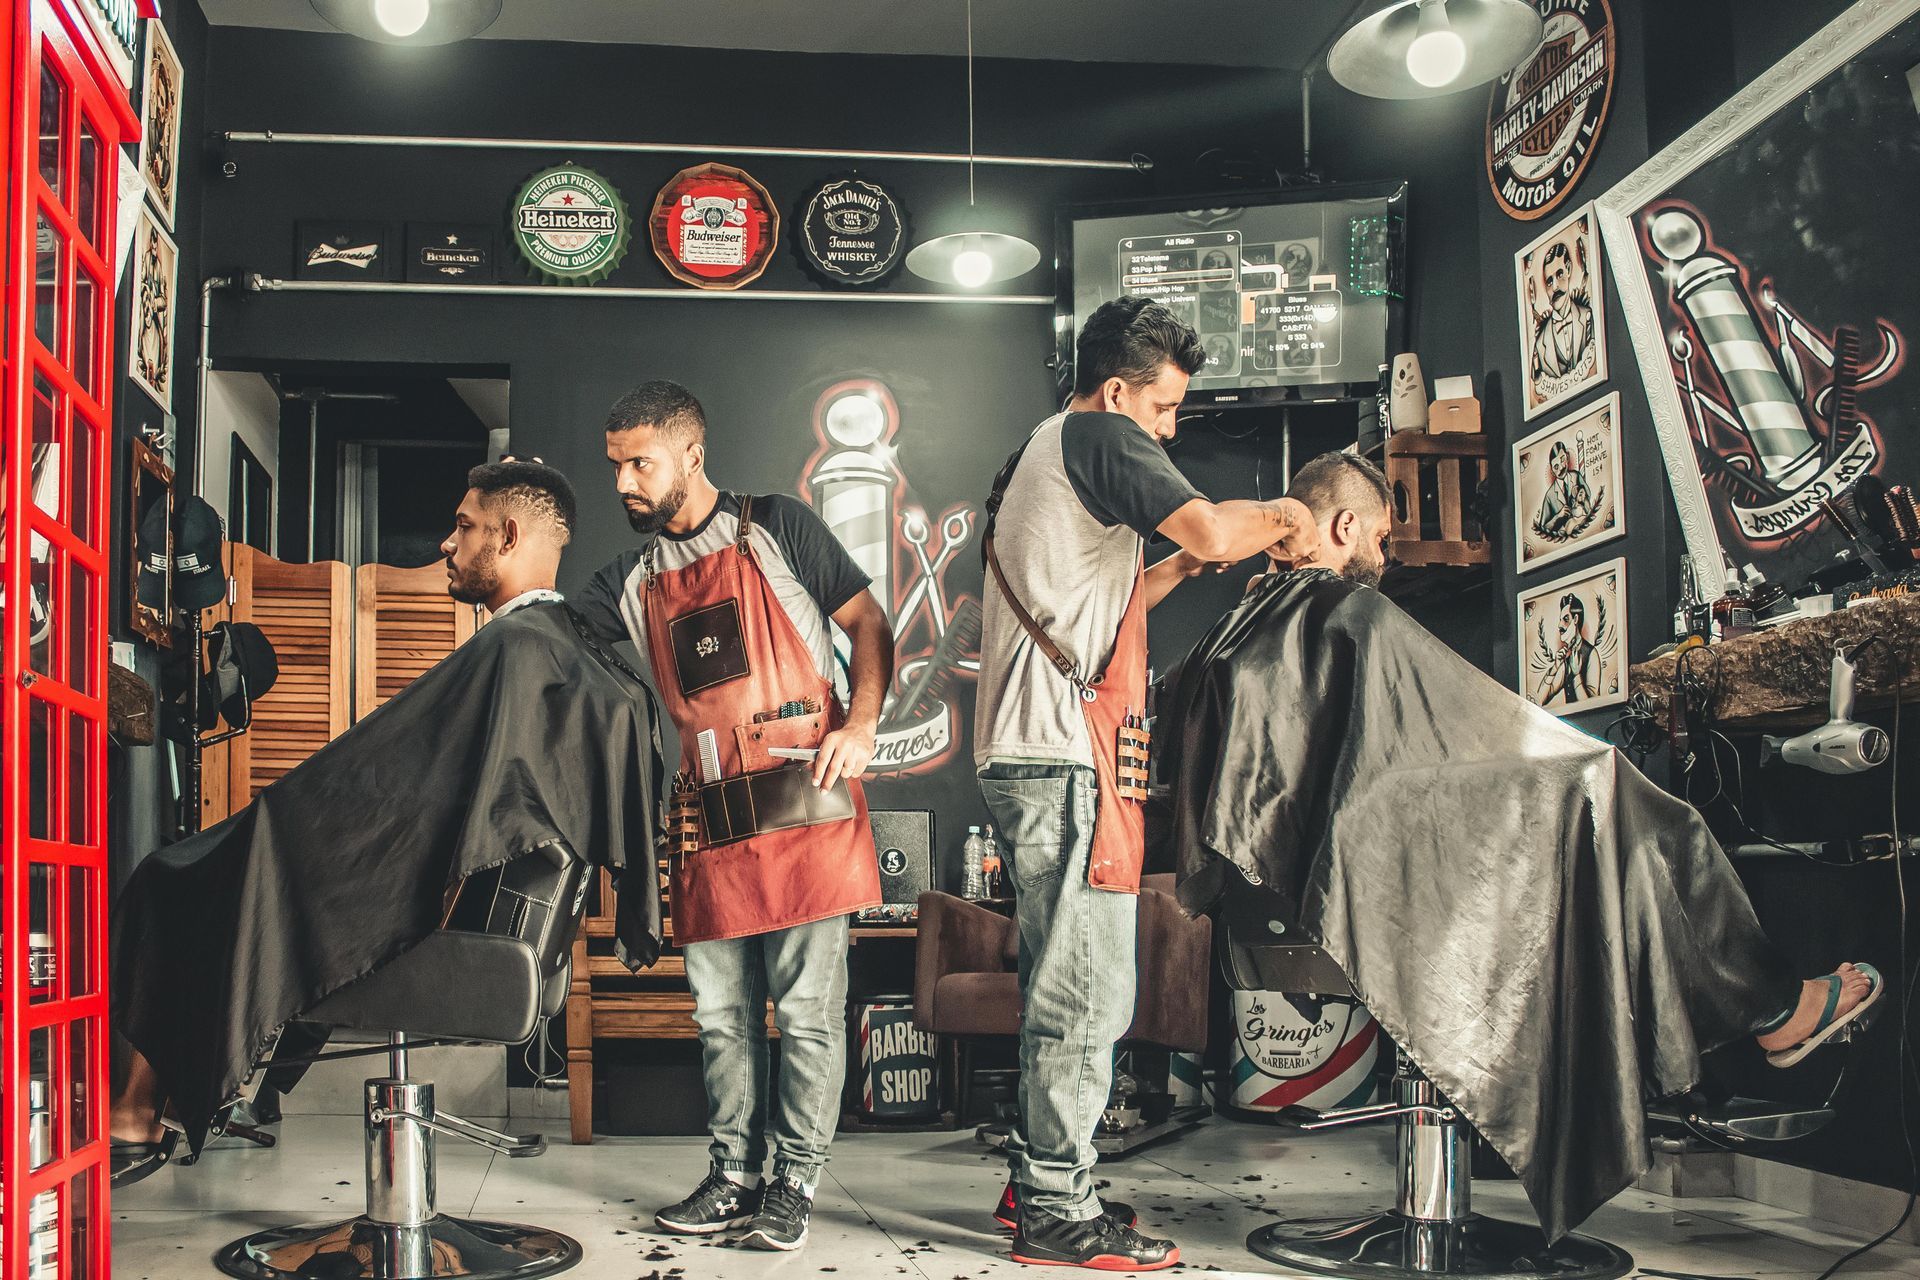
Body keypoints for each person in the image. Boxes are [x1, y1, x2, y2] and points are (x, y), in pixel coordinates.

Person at [1169, 451, 1881, 1242]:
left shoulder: (1240, 630)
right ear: (1343, 526)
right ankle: (1774, 1008)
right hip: (1391, 893)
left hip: (1283, 908)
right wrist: (1577, 774)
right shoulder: (1351, 615)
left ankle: (1738, 1027)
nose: (1386, 552)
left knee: (1609, 827)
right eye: (1380, 534)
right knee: (1634, 811)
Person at [111, 461, 665, 1184]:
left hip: (449, 934)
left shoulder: (516, 649)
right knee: (249, 879)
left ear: (507, 534)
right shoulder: (565, 650)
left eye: (463, 526)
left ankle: (133, 1118)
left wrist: (286, 818)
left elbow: (382, 788)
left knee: (172, 879)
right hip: (508, 933)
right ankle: (212, 1096)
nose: (446, 543)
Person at [973, 296, 1316, 1270]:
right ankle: (1054, 1207)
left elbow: (1137, 585)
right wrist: (1284, 516)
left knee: (1067, 981)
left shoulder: (1046, 451)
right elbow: (1209, 530)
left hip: (1033, 753)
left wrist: (1203, 563)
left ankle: (1039, 1176)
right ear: (1119, 390)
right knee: (1086, 993)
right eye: (1165, 408)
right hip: (1061, 757)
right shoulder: (1098, 432)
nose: (1169, 428)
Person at [574, 381, 895, 1252]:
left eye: (639, 462)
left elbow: (868, 621)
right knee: (720, 1018)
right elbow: (560, 644)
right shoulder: (626, 582)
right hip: (708, 827)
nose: (624, 483)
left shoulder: (777, 528)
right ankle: (734, 1175)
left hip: (806, 813)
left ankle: (793, 1181)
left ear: (692, 454)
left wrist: (862, 725)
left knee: (809, 1014)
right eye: (615, 466)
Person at [1530, 239, 1596, 381]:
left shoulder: (1587, 317)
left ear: (1568, 269)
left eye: (1559, 275)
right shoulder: (1540, 343)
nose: (1554, 287)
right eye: (1549, 282)